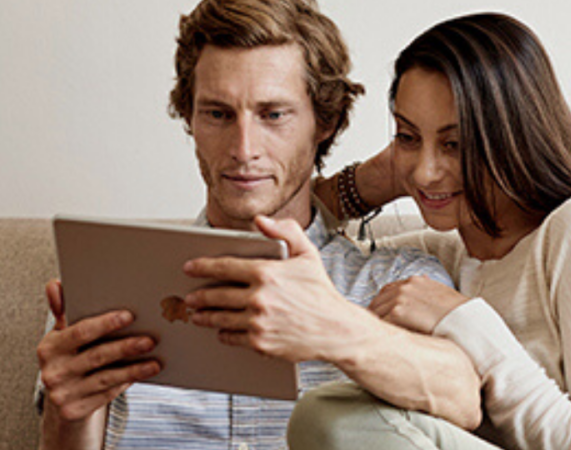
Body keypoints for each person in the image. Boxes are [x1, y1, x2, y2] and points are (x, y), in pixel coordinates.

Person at [34, 1, 482, 449]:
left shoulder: (395, 280)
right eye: (218, 113)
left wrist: (334, 325)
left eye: (273, 114)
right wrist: (66, 414)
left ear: (324, 122)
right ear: (189, 117)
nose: (243, 148)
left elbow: (464, 398)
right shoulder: (112, 285)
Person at [296, 12, 571, 450]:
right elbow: (296, 232)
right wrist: (378, 179)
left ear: (513, 137)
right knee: (336, 410)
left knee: (337, 418)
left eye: (455, 144)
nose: (426, 172)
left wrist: (461, 320)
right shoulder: (443, 256)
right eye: (408, 137)